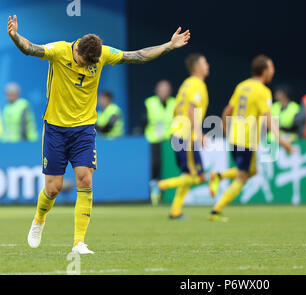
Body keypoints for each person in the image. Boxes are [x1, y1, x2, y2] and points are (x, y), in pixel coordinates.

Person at [7, 14, 190, 254]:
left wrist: (168, 46)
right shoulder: (59, 51)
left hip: (84, 129)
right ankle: (39, 219)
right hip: (55, 129)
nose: (85, 66)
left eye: (89, 64)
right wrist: (15, 36)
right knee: (53, 188)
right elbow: (31, 49)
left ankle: (78, 243)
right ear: (77, 48)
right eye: (83, 61)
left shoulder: (101, 54)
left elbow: (137, 56)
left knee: (85, 180)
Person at [207, 55, 293, 221]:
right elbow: (269, 119)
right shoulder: (263, 91)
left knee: (252, 171)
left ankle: (219, 176)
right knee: (242, 177)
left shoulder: (242, 86)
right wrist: (283, 142)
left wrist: (226, 131)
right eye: (272, 67)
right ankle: (216, 210)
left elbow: (226, 111)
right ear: (265, 70)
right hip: (246, 140)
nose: (273, 71)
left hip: (235, 137)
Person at [157, 54, 210, 220]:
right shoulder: (197, 84)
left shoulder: (186, 84)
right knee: (199, 176)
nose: (207, 65)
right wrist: (199, 134)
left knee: (187, 175)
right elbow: (191, 110)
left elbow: (176, 110)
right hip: (187, 136)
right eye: (204, 62)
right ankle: (161, 185)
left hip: (178, 133)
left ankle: (175, 211)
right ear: (196, 67)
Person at [144, 80, 177, 205]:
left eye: (166, 89)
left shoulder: (174, 103)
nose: (164, 92)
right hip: (154, 141)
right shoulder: (150, 103)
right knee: (155, 167)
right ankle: (155, 193)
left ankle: (168, 194)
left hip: (169, 141)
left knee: (168, 168)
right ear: (157, 91)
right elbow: (144, 121)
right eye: (161, 89)